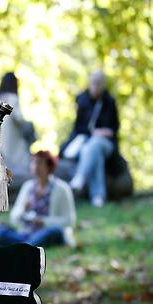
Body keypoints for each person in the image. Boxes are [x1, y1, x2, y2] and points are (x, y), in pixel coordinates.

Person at [0, 150, 77, 248]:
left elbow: (69, 220)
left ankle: (25, 246)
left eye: (39, 163)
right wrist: (23, 209)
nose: (35, 166)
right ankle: (27, 246)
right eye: (33, 162)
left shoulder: (62, 189)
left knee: (54, 231)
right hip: (27, 233)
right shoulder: (28, 187)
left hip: (47, 231)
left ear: (49, 166)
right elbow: (14, 218)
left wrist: (44, 221)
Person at [60, 70, 119, 207]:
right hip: (86, 144)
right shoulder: (82, 100)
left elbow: (115, 128)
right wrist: (93, 132)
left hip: (106, 144)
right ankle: (98, 197)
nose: (96, 87)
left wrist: (104, 132)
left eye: (99, 84)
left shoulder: (109, 102)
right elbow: (78, 128)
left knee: (96, 144)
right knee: (92, 149)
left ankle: (79, 179)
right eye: (94, 83)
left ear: (103, 85)